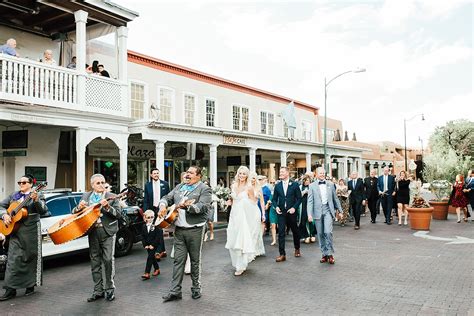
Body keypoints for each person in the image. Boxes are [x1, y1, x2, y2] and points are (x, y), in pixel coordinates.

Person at [160, 166, 211, 302]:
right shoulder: (180, 186)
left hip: (195, 229)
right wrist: (163, 205)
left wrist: (188, 207)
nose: (187, 175)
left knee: (195, 261)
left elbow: (203, 206)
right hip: (179, 230)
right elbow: (167, 197)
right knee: (178, 261)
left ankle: (196, 288)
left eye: (191, 173)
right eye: (187, 172)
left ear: (198, 176)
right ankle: (175, 291)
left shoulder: (204, 188)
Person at [73, 174, 122, 302]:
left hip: (108, 231)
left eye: (103, 182)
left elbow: (118, 215)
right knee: (95, 262)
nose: (101, 185)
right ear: (92, 185)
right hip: (93, 232)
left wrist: (107, 207)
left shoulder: (111, 196)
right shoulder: (86, 196)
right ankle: (98, 290)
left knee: (107, 260)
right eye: (98, 183)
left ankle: (110, 289)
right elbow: (74, 213)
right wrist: (79, 207)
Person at [0, 175, 47, 301]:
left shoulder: (38, 194)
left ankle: (30, 286)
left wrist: (36, 200)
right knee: (13, 258)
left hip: (31, 229)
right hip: (15, 230)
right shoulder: (13, 195)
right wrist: (4, 215)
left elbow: (44, 210)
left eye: (24, 182)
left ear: (31, 184)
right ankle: (10, 289)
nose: (21, 184)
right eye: (19, 182)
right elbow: (1, 206)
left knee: (30, 257)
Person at [225, 167, 263, 276]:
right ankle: (237, 262)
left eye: (244, 174)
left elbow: (253, 203)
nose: (242, 175)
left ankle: (241, 265)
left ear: (247, 175)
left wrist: (255, 198)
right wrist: (229, 202)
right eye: (240, 173)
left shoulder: (249, 187)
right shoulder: (233, 185)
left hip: (244, 216)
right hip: (234, 215)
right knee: (233, 238)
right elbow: (233, 200)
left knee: (241, 240)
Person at [307, 167, 342, 264]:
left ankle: (330, 254)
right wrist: (309, 214)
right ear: (316, 174)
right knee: (321, 234)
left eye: (323, 173)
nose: (322, 174)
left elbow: (335, 199)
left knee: (328, 232)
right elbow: (310, 201)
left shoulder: (330, 184)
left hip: (328, 211)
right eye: (320, 173)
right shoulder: (312, 186)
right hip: (317, 212)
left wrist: (340, 211)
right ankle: (324, 254)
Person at [271, 166, 302, 262]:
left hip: (291, 212)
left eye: (282, 172)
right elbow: (274, 199)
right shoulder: (278, 186)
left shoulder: (295, 185)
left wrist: (294, 208)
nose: (280, 173)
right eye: (280, 172)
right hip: (281, 212)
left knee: (295, 231)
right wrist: (276, 207)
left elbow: (299, 198)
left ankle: (297, 248)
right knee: (281, 232)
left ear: (287, 173)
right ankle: (282, 254)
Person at [143, 168, 170, 259]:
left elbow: (168, 197)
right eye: (154, 173)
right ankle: (163, 251)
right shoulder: (148, 185)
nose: (156, 175)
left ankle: (158, 252)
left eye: (157, 173)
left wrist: (166, 209)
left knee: (158, 229)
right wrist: (145, 212)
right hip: (152, 209)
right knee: (154, 229)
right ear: (151, 175)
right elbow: (146, 199)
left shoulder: (165, 184)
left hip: (161, 209)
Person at [141, 210, 161, 280]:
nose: (150, 219)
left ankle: (147, 273)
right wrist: (145, 245)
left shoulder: (155, 225)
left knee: (150, 257)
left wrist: (153, 245)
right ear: (145, 218)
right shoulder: (143, 226)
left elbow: (158, 237)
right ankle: (157, 269)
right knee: (152, 257)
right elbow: (143, 236)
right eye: (148, 217)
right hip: (147, 245)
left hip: (154, 245)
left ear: (154, 217)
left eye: (152, 217)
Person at [249, 172, 265, 255]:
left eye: (254, 178)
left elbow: (262, 202)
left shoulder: (259, 188)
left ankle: (254, 250)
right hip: (248, 211)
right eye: (251, 178)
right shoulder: (246, 188)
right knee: (249, 231)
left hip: (255, 211)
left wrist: (263, 214)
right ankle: (250, 248)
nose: (252, 180)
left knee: (255, 231)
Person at [298, 175, 316, 243]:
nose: (306, 182)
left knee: (311, 220)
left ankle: (312, 234)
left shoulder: (312, 187)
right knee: (303, 220)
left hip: (311, 205)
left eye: (308, 180)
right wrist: (303, 192)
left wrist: (309, 193)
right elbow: (298, 196)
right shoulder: (300, 187)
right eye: (305, 180)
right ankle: (306, 235)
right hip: (303, 205)